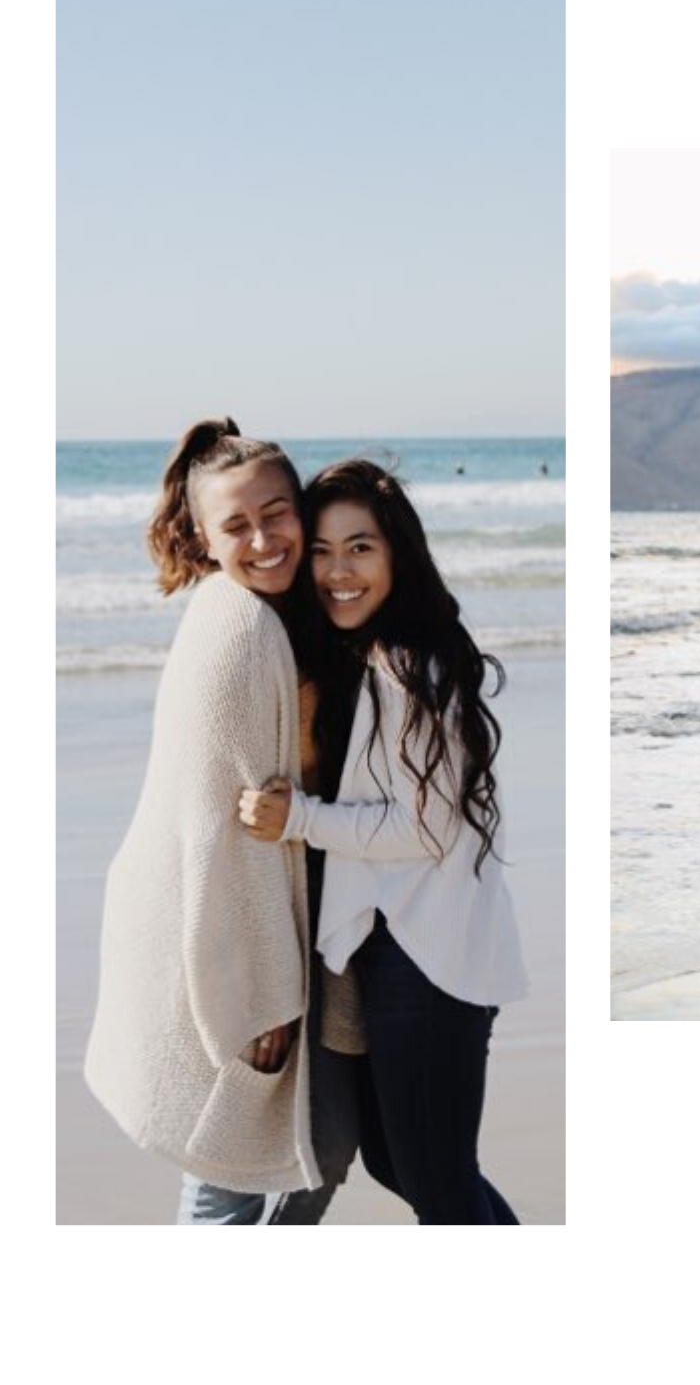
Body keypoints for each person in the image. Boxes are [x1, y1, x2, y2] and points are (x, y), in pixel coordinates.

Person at [84, 418, 360, 1224]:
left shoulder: (277, 615)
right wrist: (256, 998)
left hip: (261, 917)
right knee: (240, 1169)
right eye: (236, 525)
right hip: (233, 943)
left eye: (277, 513)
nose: (264, 538)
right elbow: (220, 834)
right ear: (203, 537)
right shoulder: (238, 629)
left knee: (301, 1153)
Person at [238, 459, 526, 1223]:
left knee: (433, 1176)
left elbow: (423, 827)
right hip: (403, 944)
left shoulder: (409, 664)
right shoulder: (372, 655)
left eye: (360, 548)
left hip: (430, 957)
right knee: (401, 1163)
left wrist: (296, 816)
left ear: (399, 554)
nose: (338, 571)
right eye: (325, 551)